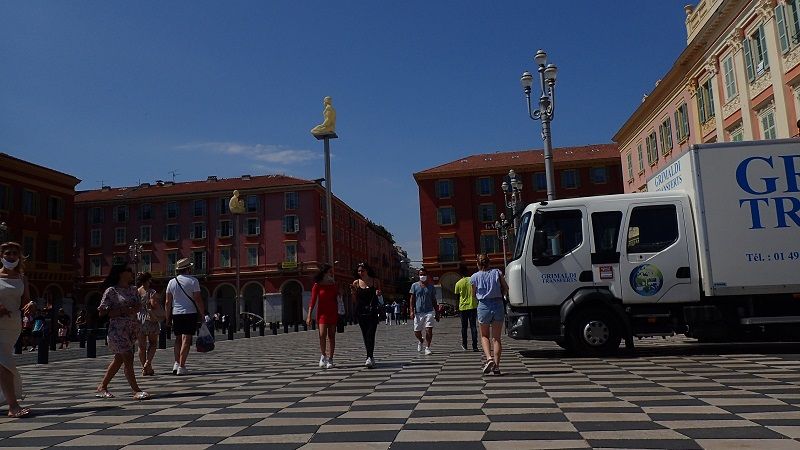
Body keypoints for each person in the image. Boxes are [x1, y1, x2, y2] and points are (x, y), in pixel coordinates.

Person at [96, 264, 150, 400]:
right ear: (121, 273)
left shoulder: (133, 290)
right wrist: (121, 311)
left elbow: (138, 306)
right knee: (128, 357)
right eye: (129, 271)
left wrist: (135, 308)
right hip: (117, 330)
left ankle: (102, 387)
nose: (132, 273)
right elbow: (102, 312)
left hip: (130, 330)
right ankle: (136, 390)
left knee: (119, 359)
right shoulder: (111, 291)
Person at [0, 242, 31, 417]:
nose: (11, 256)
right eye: (8, 253)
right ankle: (13, 406)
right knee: (4, 363)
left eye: (14, 253)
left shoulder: (22, 278)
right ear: (1, 256)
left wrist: (30, 305)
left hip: (12, 325)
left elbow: (25, 300)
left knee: (3, 362)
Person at [470, 254, 509, 375]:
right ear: (489, 263)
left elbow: (473, 294)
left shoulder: (474, 276)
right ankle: (496, 367)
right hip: (498, 304)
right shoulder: (497, 272)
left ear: (477, 264)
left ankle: (489, 358)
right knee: (496, 338)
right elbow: (506, 287)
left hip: (484, 306)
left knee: (484, 336)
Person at [165, 258, 204, 376]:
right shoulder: (193, 281)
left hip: (176, 313)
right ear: (188, 268)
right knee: (186, 340)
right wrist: (202, 314)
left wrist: (168, 317)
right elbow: (198, 299)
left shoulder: (171, 282)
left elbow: (167, 302)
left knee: (177, 339)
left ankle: (176, 363)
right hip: (189, 313)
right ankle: (182, 366)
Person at [306, 264, 338, 369]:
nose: (331, 273)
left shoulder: (333, 284)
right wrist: (309, 315)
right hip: (322, 313)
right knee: (322, 335)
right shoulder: (317, 285)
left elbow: (336, 298)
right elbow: (313, 300)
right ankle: (323, 355)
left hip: (332, 312)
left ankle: (331, 359)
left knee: (332, 336)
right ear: (325, 272)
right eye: (330, 271)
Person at [351, 262, 381, 368]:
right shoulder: (356, 283)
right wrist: (353, 293)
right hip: (361, 311)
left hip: (372, 311)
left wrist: (378, 293)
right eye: (359, 271)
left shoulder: (375, 281)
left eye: (362, 270)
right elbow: (355, 300)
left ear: (367, 270)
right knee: (365, 334)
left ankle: (369, 357)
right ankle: (370, 357)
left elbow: (380, 294)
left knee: (371, 334)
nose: (360, 273)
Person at [136, 273, 162, 376]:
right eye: (149, 280)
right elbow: (153, 305)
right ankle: (148, 363)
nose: (150, 282)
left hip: (139, 319)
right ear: (147, 280)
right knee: (153, 343)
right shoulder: (152, 292)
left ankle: (144, 369)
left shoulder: (136, 292)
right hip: (150, 318)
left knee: (141, 346)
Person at [409, 268, 438, 355]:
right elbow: (412, 299)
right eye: (421, 274)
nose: (422, 276)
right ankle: (421, 340)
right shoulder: (414, 286)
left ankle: (427, 347)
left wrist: (437, 312)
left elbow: (434, 300)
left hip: (429, 311)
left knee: (429, 330)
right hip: (418, 312)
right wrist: (411, 310)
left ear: (427, 275)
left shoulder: (431, 287)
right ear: (418, 276)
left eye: (424, 274)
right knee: (417, 331)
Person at [454, 265, 479, 352]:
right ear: (467, 271)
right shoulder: (472, 280)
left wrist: (456, 307)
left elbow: (457, 296)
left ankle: (464, 345)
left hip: (463, 307)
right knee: (473, 326)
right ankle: (475, 346)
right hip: (473, 306)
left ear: (460, 273)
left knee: (464, 327)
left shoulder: (458, 283)